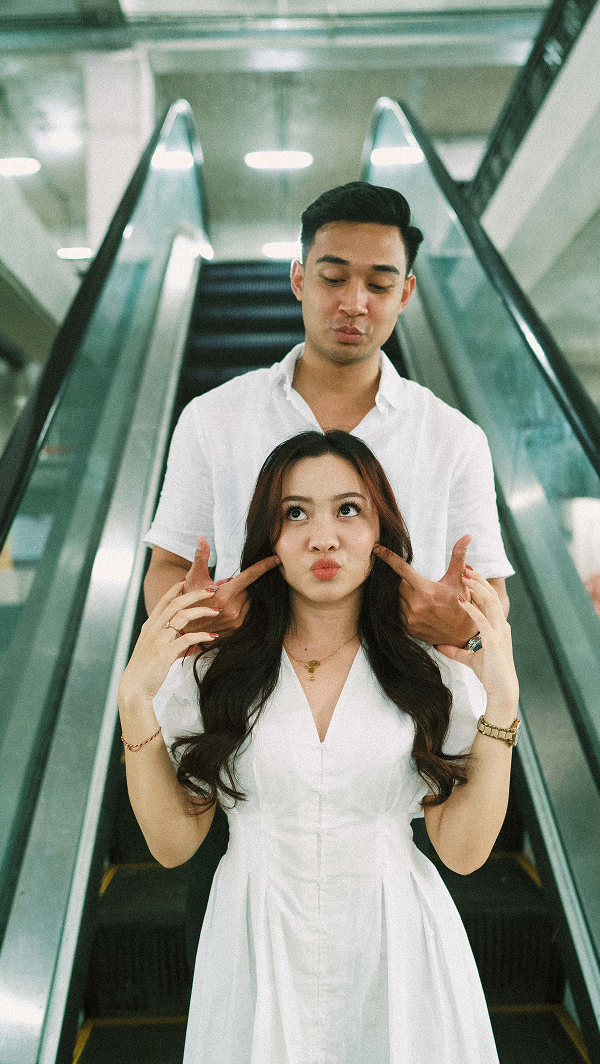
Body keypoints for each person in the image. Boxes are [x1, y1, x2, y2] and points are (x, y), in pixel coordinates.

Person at [142, 180, 514, 968]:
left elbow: (487, 600)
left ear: (406, 292)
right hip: (252, 720)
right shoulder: (216, 417)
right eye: (333, 275)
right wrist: (203, 622)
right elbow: (169, 567)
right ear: (297, 279)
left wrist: (463, 637)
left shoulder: (453, 438)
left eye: (379, 283)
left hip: (393, 735)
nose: (354, 300)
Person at [120, 430, 519, 1064]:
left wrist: (501, 701)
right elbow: (173, 846)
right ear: (269, 539)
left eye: (348, 509)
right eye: (295, 513)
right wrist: (135, 701)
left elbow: (464, 853)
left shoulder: (429, 675)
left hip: (399, 952)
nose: (323, 537)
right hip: (254, 945)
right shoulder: (216, 674)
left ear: (380, 531)